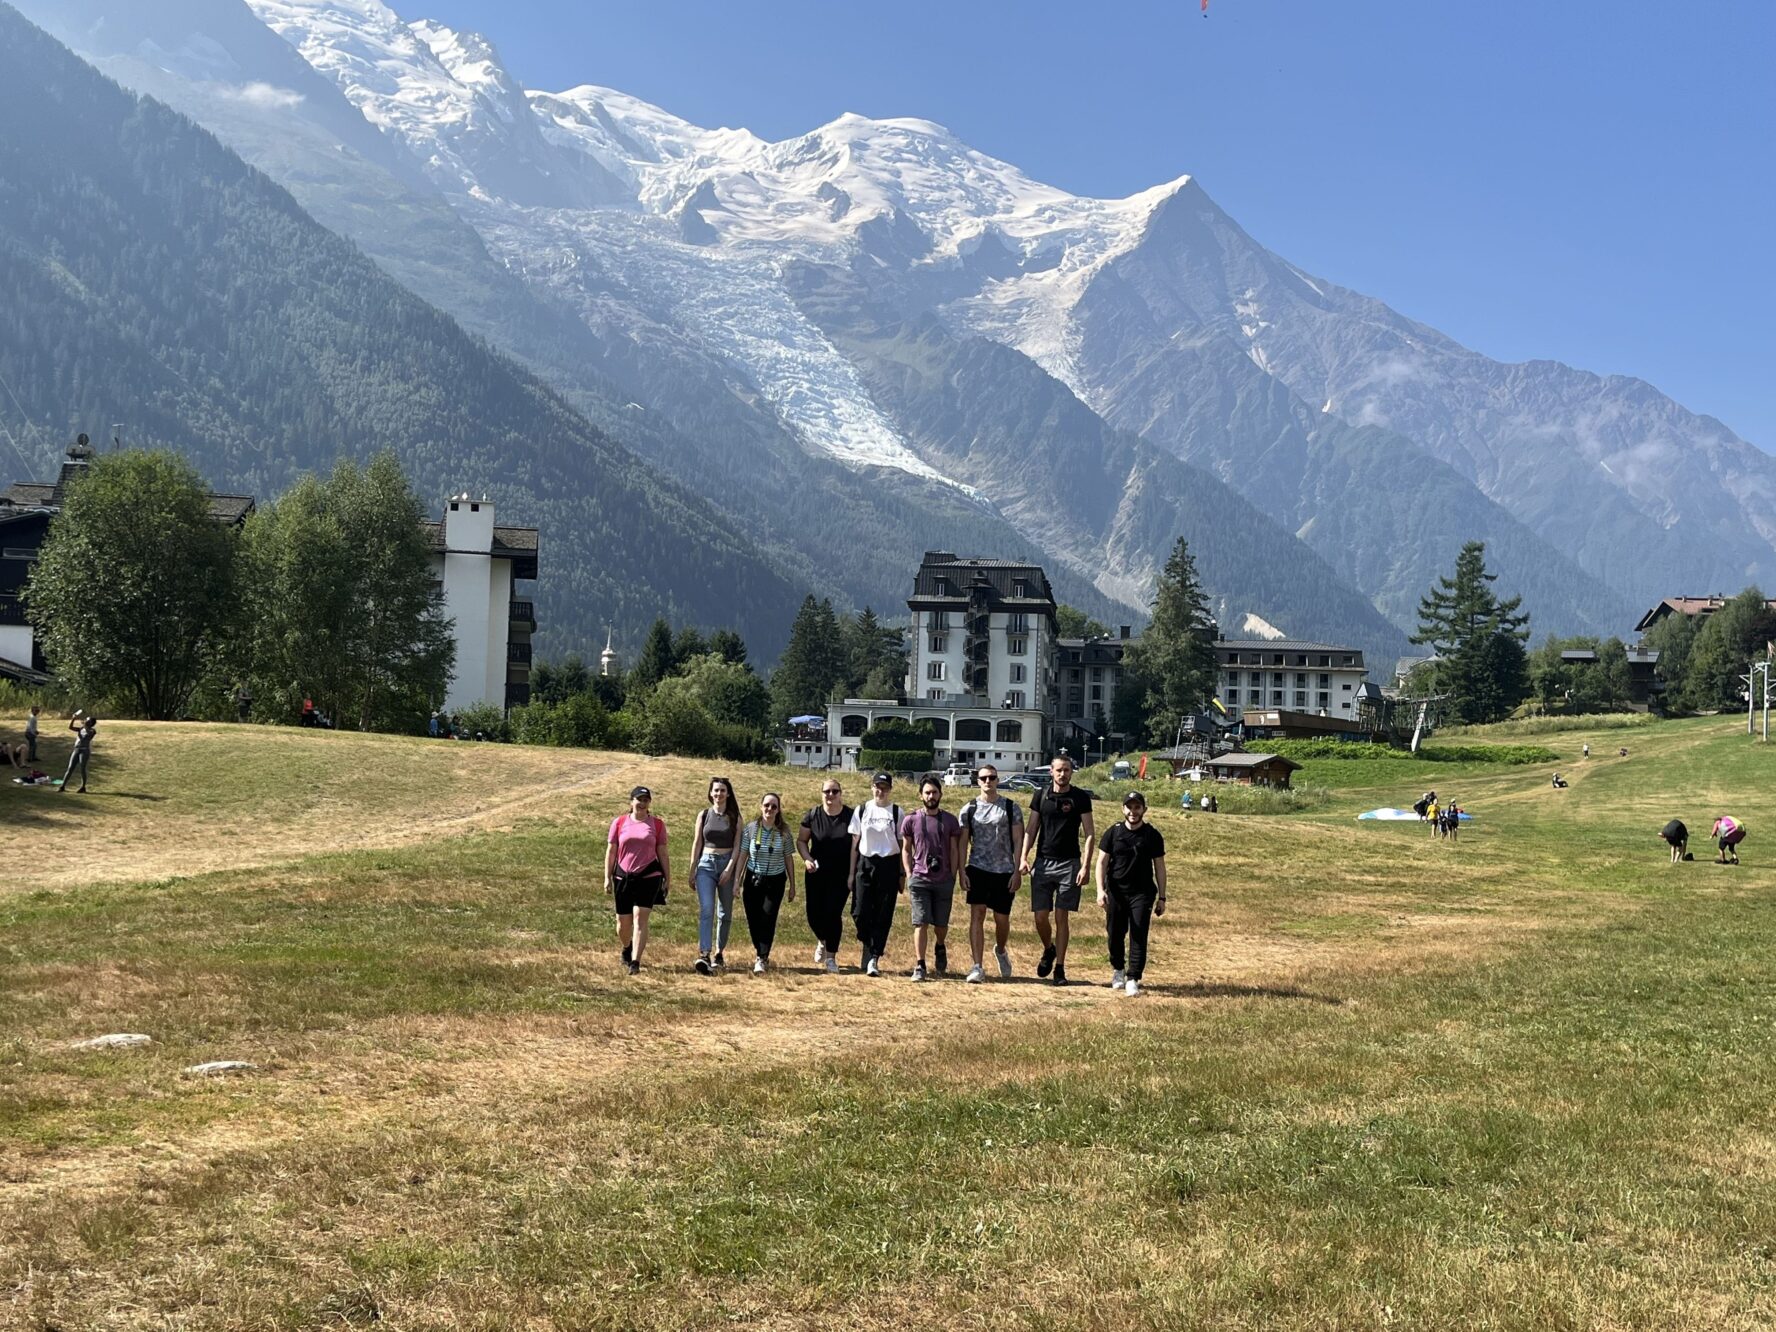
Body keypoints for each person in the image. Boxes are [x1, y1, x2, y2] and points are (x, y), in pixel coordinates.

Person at [1022, 754, 1095, 987]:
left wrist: (1085, 866)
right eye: (1059, 770)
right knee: (1040, 917)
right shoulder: (1040, 796)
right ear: (1051, 772)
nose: (1063, 774)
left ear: (1072, 772)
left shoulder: (1080, 798)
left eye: (1067, 770)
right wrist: (1024, 857)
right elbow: (1031, 829)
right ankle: (1049, 948)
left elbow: (1090, 833)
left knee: (1062, 917)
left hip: (1070, 865)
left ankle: (1060, 969)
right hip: (1043, 863)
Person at [957, 764, 1025, 983]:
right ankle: (977, 966)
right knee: (977, 915)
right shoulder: (969, 809)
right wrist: (961, 871)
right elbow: (963, 843)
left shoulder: (1010, 807)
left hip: (1004, 870)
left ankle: (1001, 949)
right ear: (978, 781)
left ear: (997, 780)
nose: (988, 782)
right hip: (977, 868)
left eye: (992, 778)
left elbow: (1018, 840)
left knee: (1001, 918)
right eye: (984, 778)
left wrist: (1017, 870)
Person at [1095, 791, 1167, 997]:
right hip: (1116, 892)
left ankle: (1133, 977)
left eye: (1137, 807)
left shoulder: (1152, 835)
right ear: (1123, 809)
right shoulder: (1113, 833)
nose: (1133, 812)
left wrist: (1162, 897)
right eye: (1129, 807)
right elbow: (1101, 862)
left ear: (1144, 809)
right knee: (1115, 933)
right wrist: (1101, 891)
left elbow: (1160, 867)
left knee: (1139, 933)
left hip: (1142, 893)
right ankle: (1118, 969)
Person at [901, 775, 963, 981]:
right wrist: (910, 874)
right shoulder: (911, 820)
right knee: (920, 922)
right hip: (920, 878)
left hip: (944, 878)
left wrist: (953, 875)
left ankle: (940, 945)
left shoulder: (951, 821)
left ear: (941, 794)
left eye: (935, 792)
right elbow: (906, 849)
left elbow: (955, 850)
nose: (931, 796)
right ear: (920, 795)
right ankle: (920, 964)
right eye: (927, 792)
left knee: (941, 924)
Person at [604, 786, 668, 975]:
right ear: (631, 802)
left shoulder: (657, 825)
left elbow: (662, 852)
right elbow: (612, 851)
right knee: (623, 924)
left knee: (641, 918)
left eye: (645, 800)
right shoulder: (619, 822)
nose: (641, 803)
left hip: (649, 876)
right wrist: (607, 877)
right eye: (638, 799)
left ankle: (635, 962)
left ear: (649, 803)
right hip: (623, 875)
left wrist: (668, 878)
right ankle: (627, 947)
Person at [849, 773, 905, 977]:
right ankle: (866, 939)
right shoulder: (862, 810)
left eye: (884, 787)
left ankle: (874, 956)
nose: (880, 791)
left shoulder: (898, 812)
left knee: (883, 913)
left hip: (888, 864)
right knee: (859, 911)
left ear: (890, 789)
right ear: (871, 788)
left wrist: (901, 873)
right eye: (877, 787)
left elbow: (902, 844)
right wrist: (850, 872)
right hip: (865, 863)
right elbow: (855, 843)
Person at [798, 779, 853, 974]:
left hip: (841, 875)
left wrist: (852, 873)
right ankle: (822, 940)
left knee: (833, 913)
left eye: (834, 791)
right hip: (816, 872)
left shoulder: (851, 816)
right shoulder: (812, 815)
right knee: (813, 913)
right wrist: (806, 859)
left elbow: (856, 847)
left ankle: (831, 957)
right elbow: (802, 841)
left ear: (841, 793)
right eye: (827, 791)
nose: (830, 795)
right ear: (821, 793)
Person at [689, 776, 742, 973]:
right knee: (707, 909)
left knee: (725, 912)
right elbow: (697, 843)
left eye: (722, 790)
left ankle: (719, 953)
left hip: (726, 863)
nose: (718, 794)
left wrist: (730, 868)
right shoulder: (703, 815)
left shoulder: (736, 818)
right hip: (706, 865)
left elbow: (737, 846)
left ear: (728, 793)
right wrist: (692, 869)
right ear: (710, 793)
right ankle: (704, 953)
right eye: (715, 790)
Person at [740, 794, 796, 973]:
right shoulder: (750, 829)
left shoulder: (784, 832)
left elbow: (788, 858)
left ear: (778, 810)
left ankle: (762, 957)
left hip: (775, 880)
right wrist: (736, 881)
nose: (769, 809)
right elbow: (743, 855)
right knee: (753, 918)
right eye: (766, 805)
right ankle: (760, 949)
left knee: (768, 917)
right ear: (760, 807)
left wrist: (793, 885)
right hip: (753, 878)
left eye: (774, 806)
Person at [58, 712, 96, 793]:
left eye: (87, 720)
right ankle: (62, 786)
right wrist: (73, 719)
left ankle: (83, 787)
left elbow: (88, 735)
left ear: (91, 723)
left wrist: (84, 725)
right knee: (70, 768)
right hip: (76, 749)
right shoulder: (81, 728)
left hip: (84, 750)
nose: (85, 720)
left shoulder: (92, 730)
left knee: (82, 769)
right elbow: (70, 727)